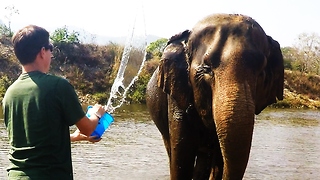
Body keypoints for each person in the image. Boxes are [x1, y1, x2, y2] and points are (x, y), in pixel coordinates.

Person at [2, 25, 106, 179]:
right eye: (50, 48)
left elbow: (28, 143)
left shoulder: (10, 93)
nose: (51, 54)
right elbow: (88, 129)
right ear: (42, 52)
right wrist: (97, 114)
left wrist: (73, 137)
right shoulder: (58, 86)